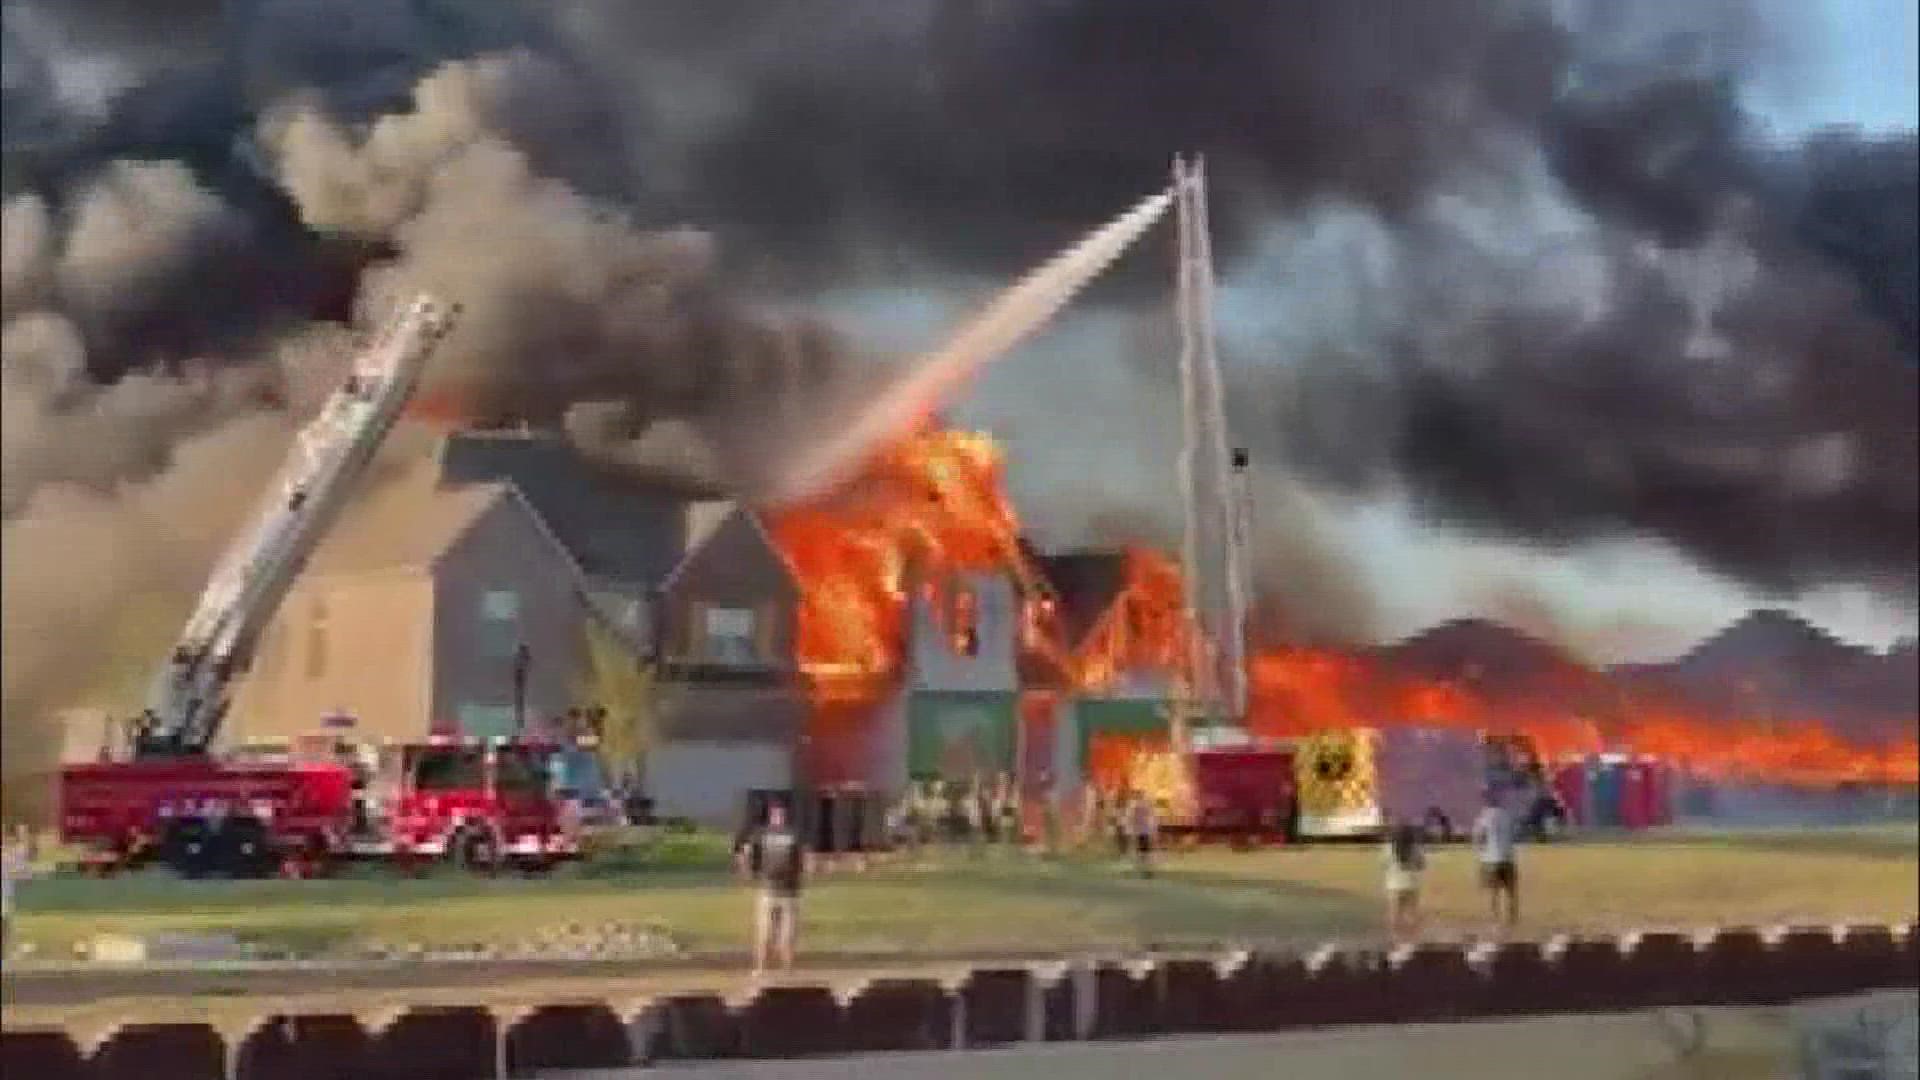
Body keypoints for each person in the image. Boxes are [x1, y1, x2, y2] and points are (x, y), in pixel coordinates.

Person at [736, 802, 807, 975]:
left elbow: (804, 855)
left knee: (788, 934)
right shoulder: (760, 834)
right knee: (764, 931)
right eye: (776, 814)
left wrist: (804, 872)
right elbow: (745, 852)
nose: (779, 817)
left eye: (781, 814)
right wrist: (747, 872)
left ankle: (787, 969)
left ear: (785, 816)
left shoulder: (794, 834)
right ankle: (760, 967)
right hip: (767, 890)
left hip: (790, 892)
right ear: (771, 816)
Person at [1472, 789, 1520, 931]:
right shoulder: (1507, 815)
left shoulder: (1483, 817)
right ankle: (1512, 920)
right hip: (1508, 857)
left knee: (1493, 893)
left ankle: (1496, 921)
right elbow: (1515, 834)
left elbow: (1479, 837)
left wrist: (1479, 852)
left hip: (1490, 859)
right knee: (1511, 892)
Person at [1383, 822, 1427, 943]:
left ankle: (1396, 939)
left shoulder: (1388, 848)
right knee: (1413, 913)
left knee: (1394, 914)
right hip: (1411, 884)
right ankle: (1412, 939)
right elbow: (1422, 865)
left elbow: (1384, 865)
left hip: (1394, 885)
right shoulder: (1415, 848)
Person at [1126, 791, 1159, 878]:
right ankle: (1146, 869)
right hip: (1144, 831)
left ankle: (1144, 869)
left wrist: (1130, 829)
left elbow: (1131, 818)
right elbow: (1152, 817)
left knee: (1141, 851)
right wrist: (1154, 829)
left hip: (1140, 831)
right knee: (1145, 851)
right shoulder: (1145, 805)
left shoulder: (1134, 805)